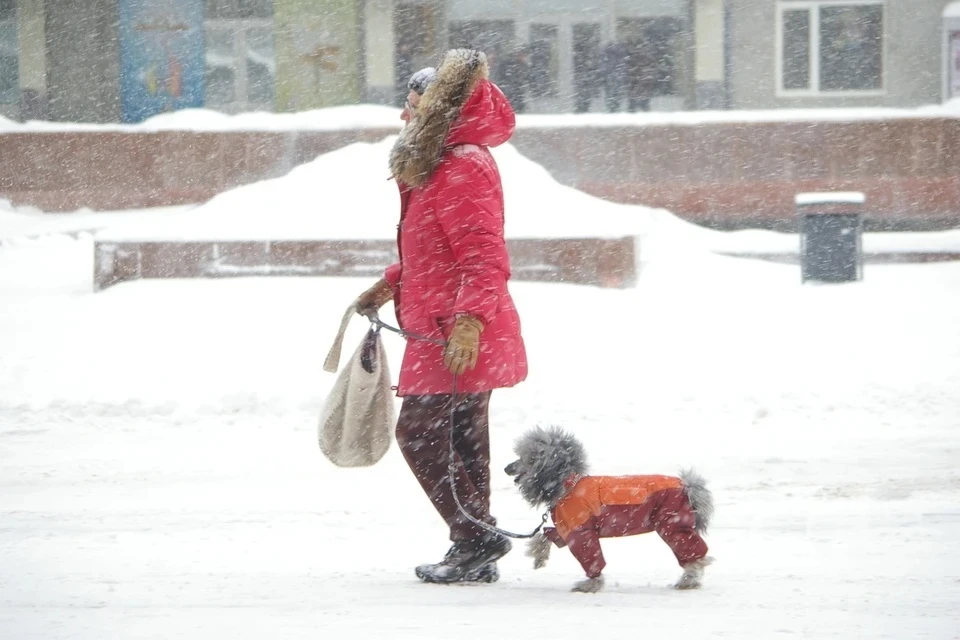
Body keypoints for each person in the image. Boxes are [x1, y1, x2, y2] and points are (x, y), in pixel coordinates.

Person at [354, 49, 528, 584]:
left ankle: (475, 535)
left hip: (457, 332)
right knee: (459, 437)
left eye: (412, 106)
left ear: (440, 108)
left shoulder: (463, 166)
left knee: (422, 432)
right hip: (445, 325)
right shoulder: (439, 161)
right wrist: (389, 284)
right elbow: (434, 250)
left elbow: (482, 257)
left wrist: (470, 324)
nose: (405, 115)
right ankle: (473, 540)